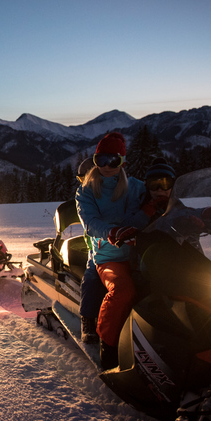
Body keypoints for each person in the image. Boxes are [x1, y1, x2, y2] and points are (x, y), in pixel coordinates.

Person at [76, 132, 148, 370]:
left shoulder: (136, 187)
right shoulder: (86, 191)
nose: (107, 166)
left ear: (122, 162)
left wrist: (205, 215)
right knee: (122, 291)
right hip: (109, 255)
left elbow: (163, 202)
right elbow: (90, 222)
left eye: (113, 161)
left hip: (143, 253)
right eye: (101, 160)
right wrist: (112, 233)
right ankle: (108, 346)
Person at [76, 158, 105, 345]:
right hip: (97, 245)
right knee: (92, 276)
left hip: (124, 244)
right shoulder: (85, 196)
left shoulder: (118, 191)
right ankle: (87, 319)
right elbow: (89, 223)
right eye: (82, 179)